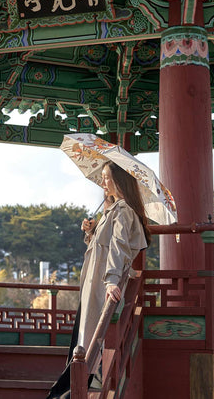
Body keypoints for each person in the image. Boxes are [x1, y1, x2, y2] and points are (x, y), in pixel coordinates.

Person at [46, 161, 151, 398]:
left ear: (118, 181)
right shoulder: (111, 211)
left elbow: (118, 247)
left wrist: (112, 280)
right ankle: (73, 385)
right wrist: (90, 232)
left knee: (89, 337)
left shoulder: (123, 212)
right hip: (92, 283)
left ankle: (76, 387)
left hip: (101, 283)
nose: (102, 182)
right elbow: (101, 246)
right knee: (83, 335)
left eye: (106, 177)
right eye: (102, 177)